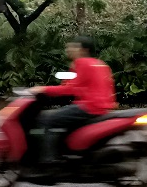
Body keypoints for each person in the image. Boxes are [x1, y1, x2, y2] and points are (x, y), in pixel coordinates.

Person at [30, 36, 117, 166]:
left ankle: (49, 160)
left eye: (74, 46)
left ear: (84, 50)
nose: (69, 49)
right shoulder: (100, 64)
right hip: (102, 107)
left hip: (89, 107)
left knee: (47, 120)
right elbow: (83, 86)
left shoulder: (81, 62)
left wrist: (43, 89)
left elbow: (70, 88)